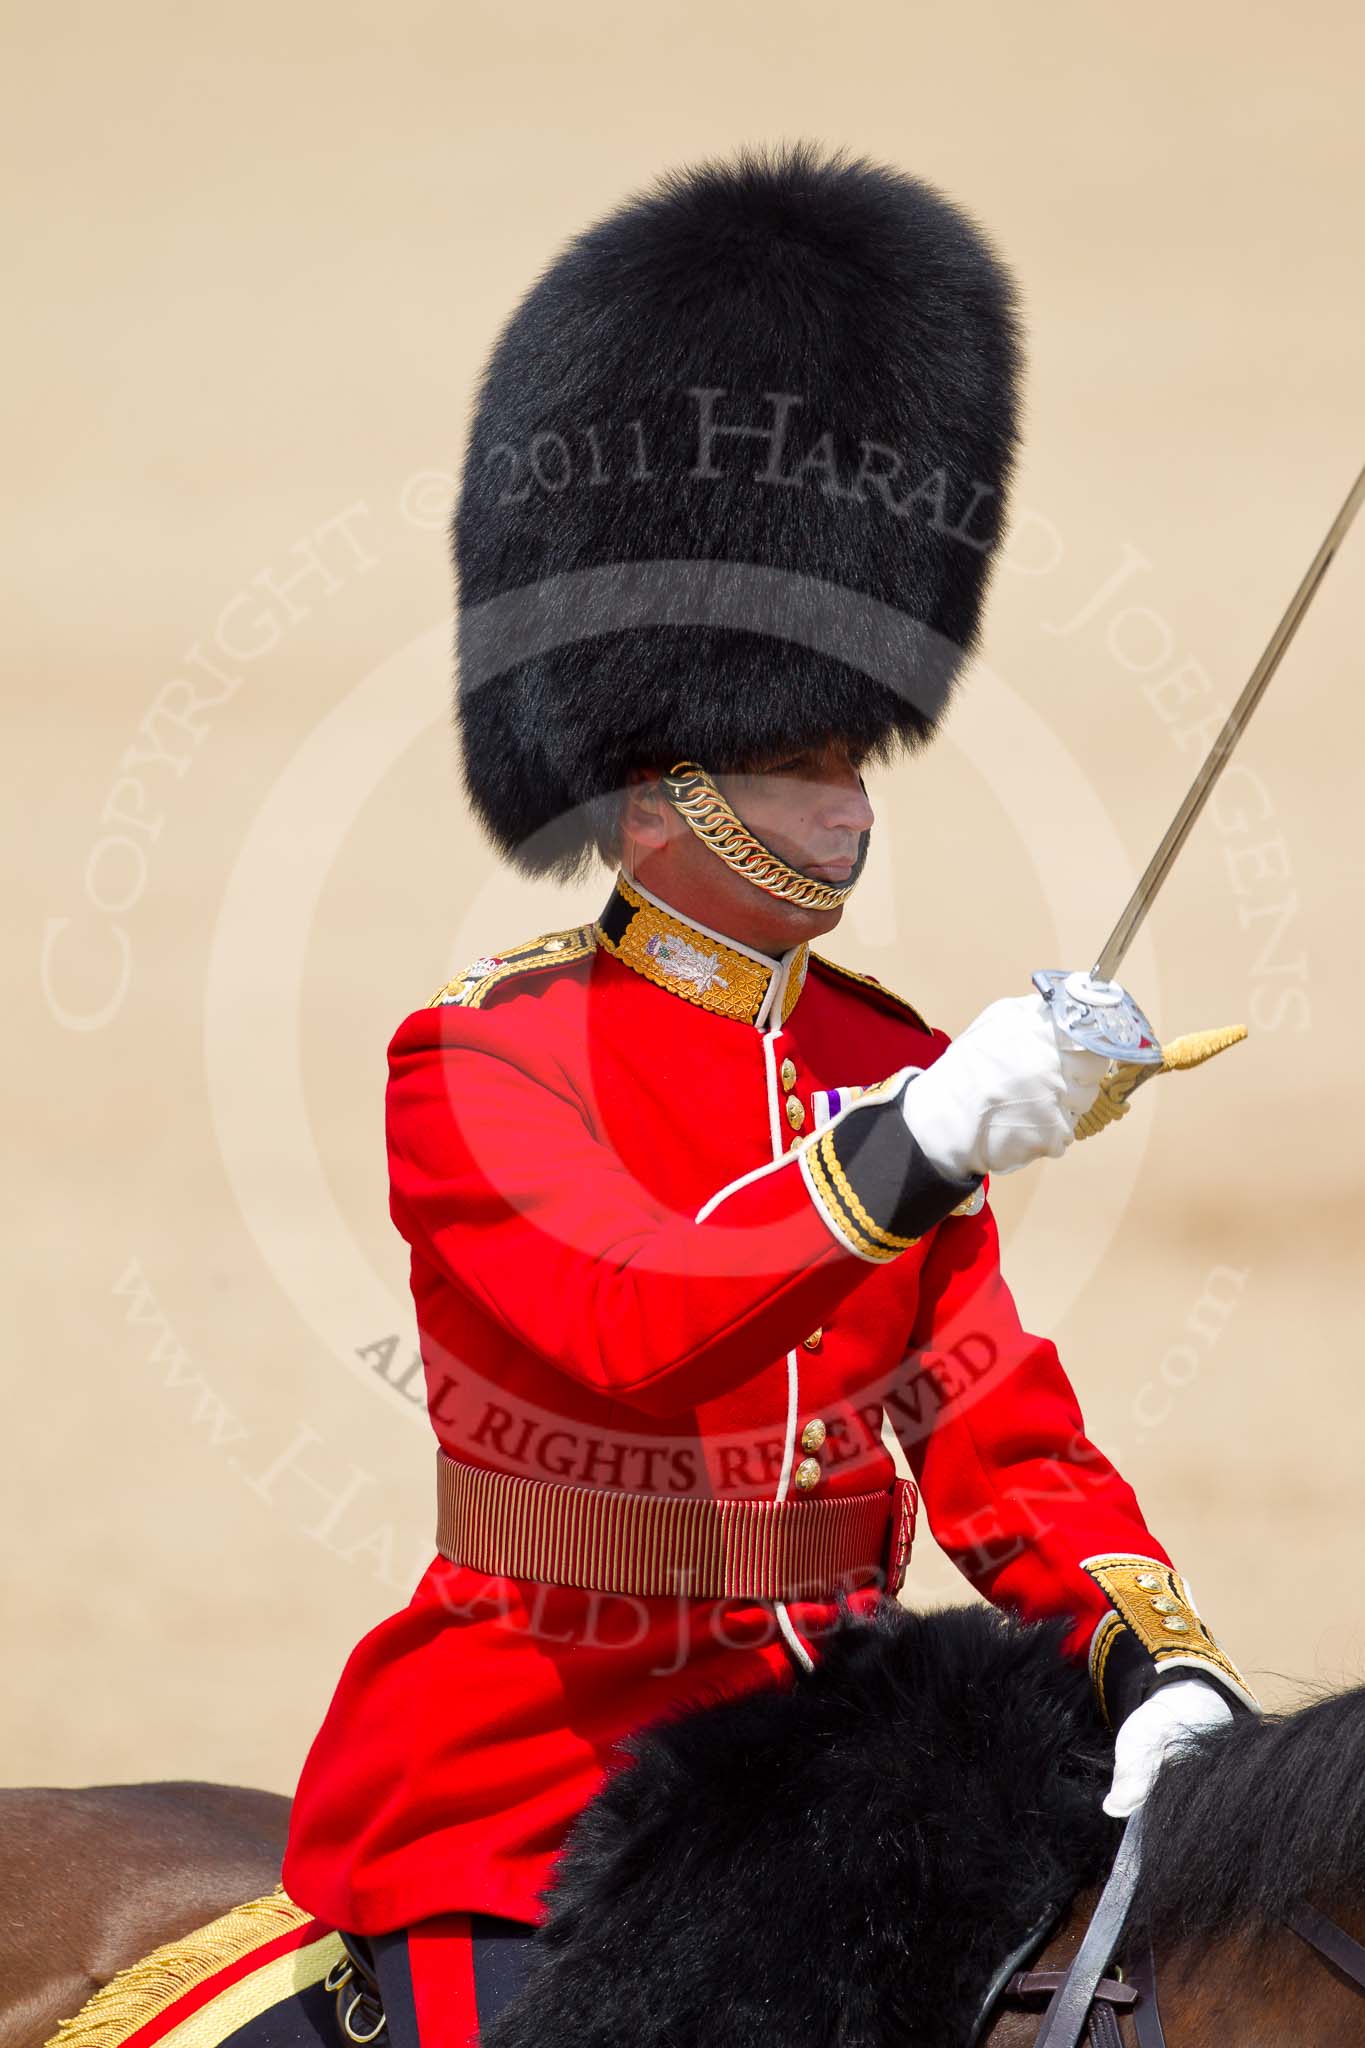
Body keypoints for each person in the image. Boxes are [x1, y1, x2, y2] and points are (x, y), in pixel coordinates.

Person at [283, 142, 1254, 2045]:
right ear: (659, 787)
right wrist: (919, 1146)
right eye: (798, 760)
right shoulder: (484, 1057)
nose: (851, 804)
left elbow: (989, 1425)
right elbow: (627, 1321)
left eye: (857, 753)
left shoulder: (882, 1054)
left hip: (842, 1768)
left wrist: (1148, 1654)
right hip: (535, 1790)